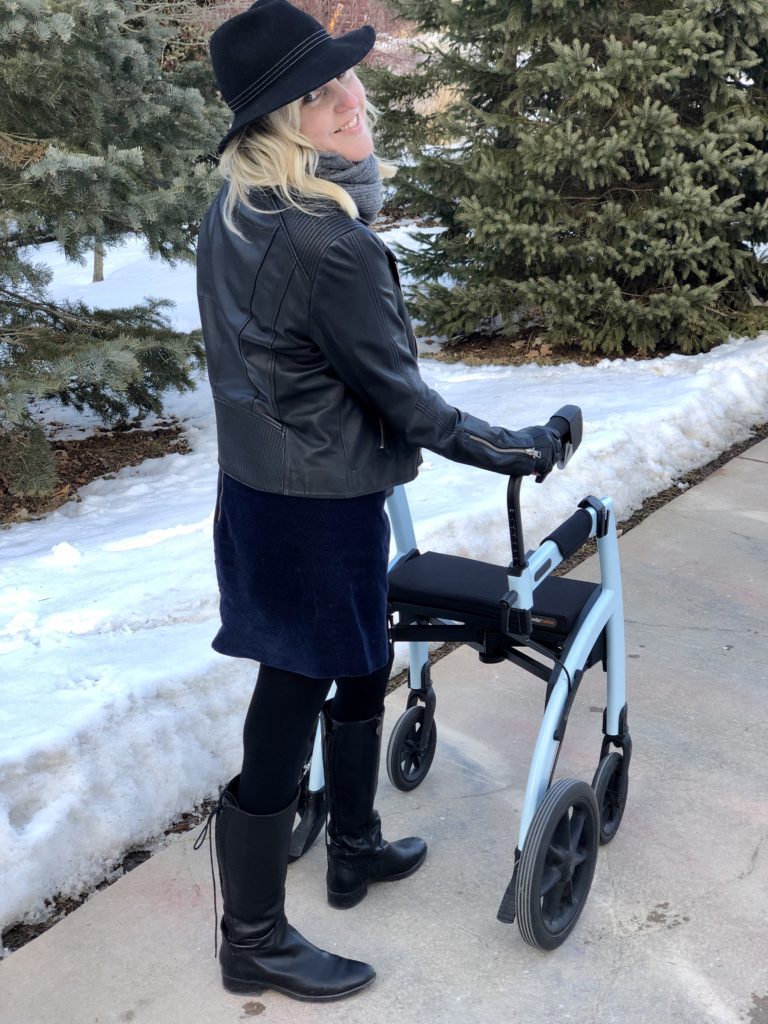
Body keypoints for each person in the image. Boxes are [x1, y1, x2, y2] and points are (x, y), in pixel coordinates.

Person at [196, 0, 563, 1004]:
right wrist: (517, 450)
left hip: (268, 488)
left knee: (355, 653)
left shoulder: (234, 211)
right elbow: (402, 397)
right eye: (321, 96)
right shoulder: (329, 242)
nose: (352, 99)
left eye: (347, 79)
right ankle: (254, 937)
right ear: (279, 127)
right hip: (312, 501)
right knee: (294, 683)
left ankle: (353, 842)